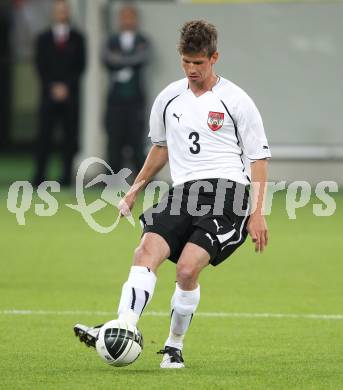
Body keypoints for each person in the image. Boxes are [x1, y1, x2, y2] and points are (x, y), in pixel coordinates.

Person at [74, 20, 271, 369]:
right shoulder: (168, 98)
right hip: (183, 192)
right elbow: (161, 149)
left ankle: (173, 345)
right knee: (145, 250)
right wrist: (134, 190)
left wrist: (257, 212)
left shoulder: (236, 100)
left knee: (185, 270)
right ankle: (124, 326)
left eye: (199, 62)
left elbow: (258, 158)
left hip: (228, 194)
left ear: (214, 58)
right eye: (186, 62)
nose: (192, 69)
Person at [32, 0, 86, 186]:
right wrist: (52, 87)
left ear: (68, 13)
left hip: (70, 97)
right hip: (48, 97)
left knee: (69, 138)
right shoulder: (43, 38)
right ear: (53, 13)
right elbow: (39, 66)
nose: (61, 13)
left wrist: (66, 87)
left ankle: (65, 179)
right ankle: (39, 177)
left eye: (64, 10)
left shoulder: (78, 38)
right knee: (44, 137)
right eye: (58, 10)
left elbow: (80, 67)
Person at [102, 4, 151, 175]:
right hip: (115, 100)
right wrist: (130, 60)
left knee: (137, 139)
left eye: (131, 17)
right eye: (124, 17)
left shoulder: (142, 40)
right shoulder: (111, 40)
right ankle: (111, 177)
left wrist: (120, 60)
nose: (127, 20)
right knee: (114, 139)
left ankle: (142, 179)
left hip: (135, 100)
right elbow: (107, 59)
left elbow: (143, 58)